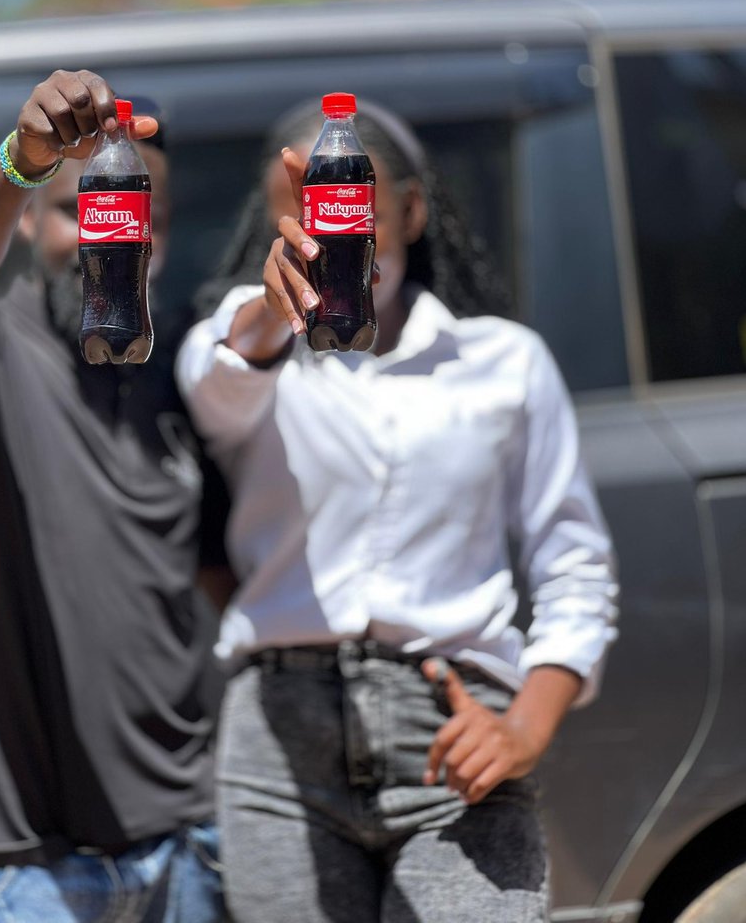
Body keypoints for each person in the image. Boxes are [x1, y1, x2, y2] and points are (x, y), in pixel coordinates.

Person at [176, 98, 619, 923]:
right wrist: (269, 313)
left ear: (410, 212)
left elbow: (575, 566)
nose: (328, 238)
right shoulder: (247, 353)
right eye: (302, 218)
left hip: (456, 729)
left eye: (352, 210)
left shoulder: (504, 362)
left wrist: (527, 723)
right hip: (280, 749)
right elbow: (218, 385)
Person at [0, 70, 226, 923]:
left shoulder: (189, 372)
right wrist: (22, 159)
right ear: (34, 219)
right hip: (4, 878)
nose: (102, 235)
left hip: (179, 854)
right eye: (81, 208)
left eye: (128, 214)